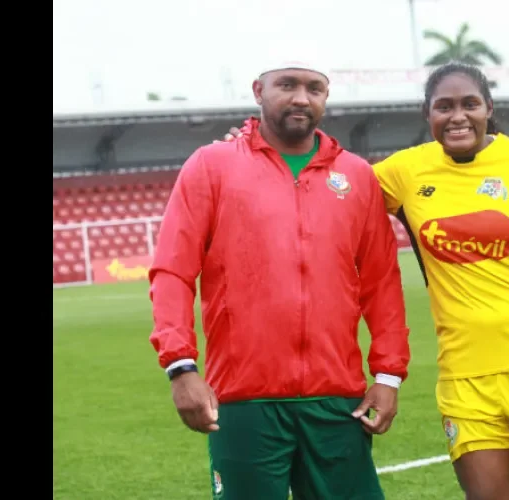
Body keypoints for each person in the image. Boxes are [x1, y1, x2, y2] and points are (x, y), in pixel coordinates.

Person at [222, 61, 509, 500]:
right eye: (444, 107)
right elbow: (329, 181)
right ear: (427, 115)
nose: (458, 116)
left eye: (470, 104)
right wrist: (252, 151)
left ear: (489, 108)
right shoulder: (406, 172)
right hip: (466, 377)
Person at [148, 59, 411, 500]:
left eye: (314, 88)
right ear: (258, 90)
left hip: (337, 400)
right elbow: (173, 270)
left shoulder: (357, 176)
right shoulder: (211, 166)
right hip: (244, 400)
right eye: (286, 85)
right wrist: (180, 366)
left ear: (326, 96)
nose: (301, 98)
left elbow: (382, 282)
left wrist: (387, 375)